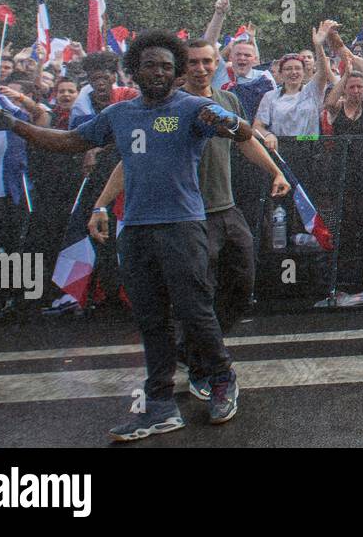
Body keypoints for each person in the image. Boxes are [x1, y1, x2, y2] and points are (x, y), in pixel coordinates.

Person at [0, 29, 252, 440]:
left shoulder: (194, 106)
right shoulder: (120, 115)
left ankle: (221, 378)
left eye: (166, 65)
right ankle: (159, 404)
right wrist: (15, 126)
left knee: (195, 311)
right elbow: (69, 140)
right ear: (135, 70)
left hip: (182, 227)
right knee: (150, 318)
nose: (158, 72)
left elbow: (244, 134)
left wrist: (227, 121)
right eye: (150, 65)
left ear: (176, 71)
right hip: (136, 231)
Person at [88, 39, 289, 398]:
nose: (200, 68)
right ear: (184, 68)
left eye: (207, 62)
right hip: (188, 219)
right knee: (197, 300)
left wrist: (276, 172)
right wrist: (100, 204)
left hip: (226, 209)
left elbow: (245, 140)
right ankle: (203, 369)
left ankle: (193, 351)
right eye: (193, 62)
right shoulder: (166, 106)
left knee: (242, 286)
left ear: (217, 64)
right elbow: (129, 162)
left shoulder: (227, 100)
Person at [253, 21, 337, 146]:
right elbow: (257, 127)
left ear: (304, 72)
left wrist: (318, 46)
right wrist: (267, 135)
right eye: (288, 69)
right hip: (281, 148)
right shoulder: (270, 96)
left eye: (298, 68)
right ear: (281, 73)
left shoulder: (312, 91)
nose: (293, 72)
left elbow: (323, 73)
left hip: (309, 147)